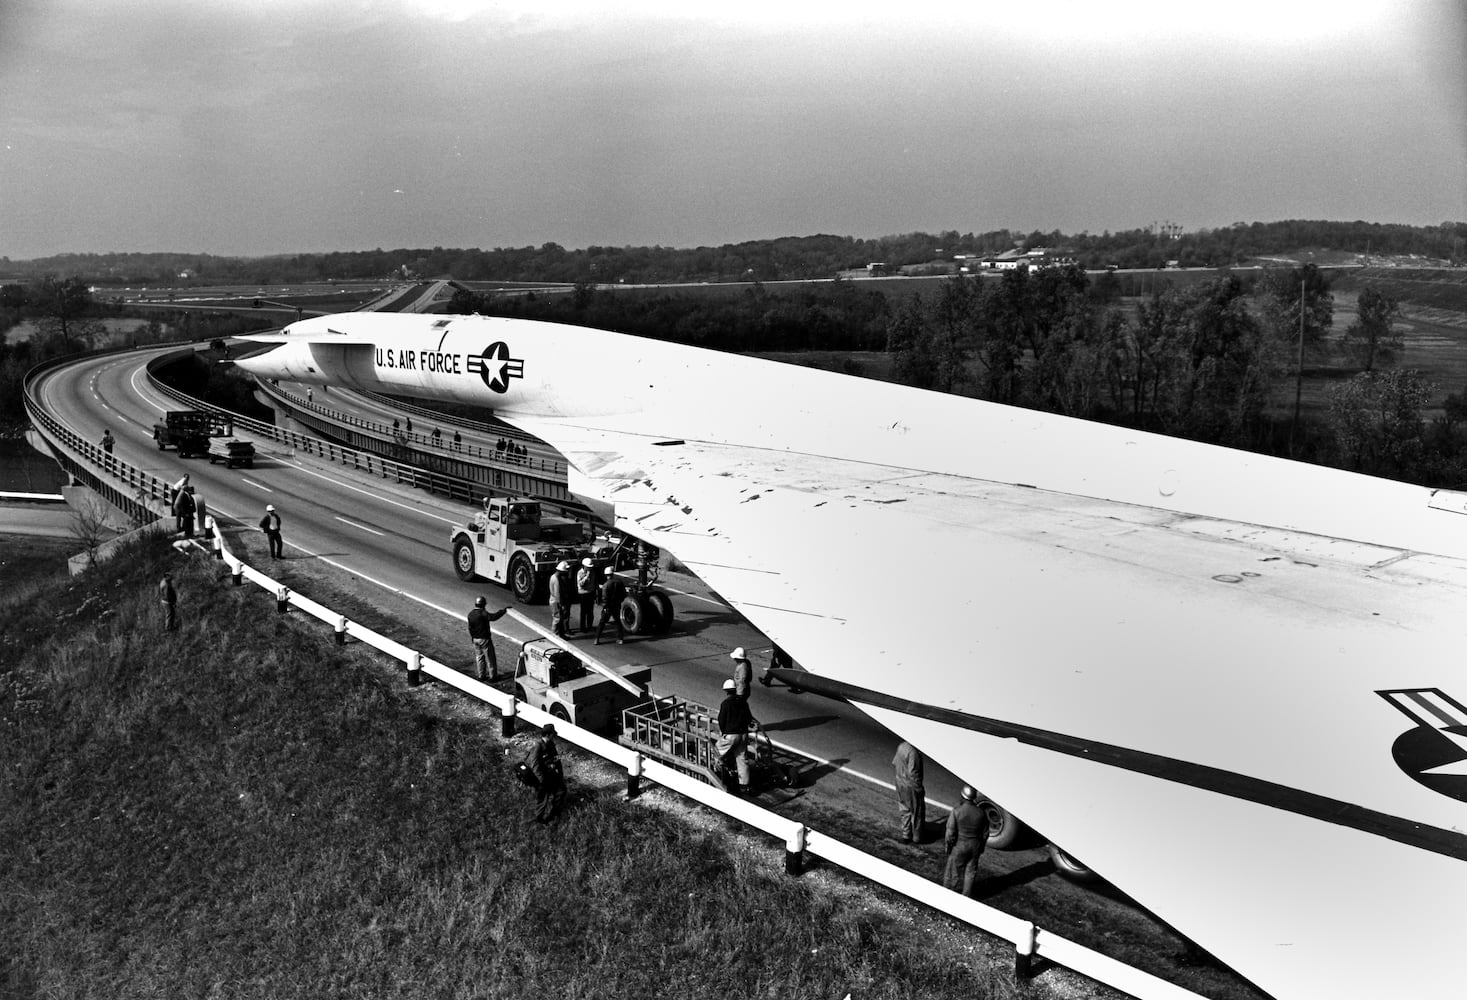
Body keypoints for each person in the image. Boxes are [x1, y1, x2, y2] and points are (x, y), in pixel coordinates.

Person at [944, 786, 990, 898]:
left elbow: (950, 833)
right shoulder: (981, 813)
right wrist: (981, 847)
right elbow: (985, 833)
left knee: (954, 873)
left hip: (960, 845)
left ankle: (950, 894)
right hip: (975, 846)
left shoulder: (957, 811)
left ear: (963, 797)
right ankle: (966, 896)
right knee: (970, 873)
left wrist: (948, 846)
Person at [716, 679, 753, 794]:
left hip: (731, 735)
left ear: (726, 691)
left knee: (716, 751)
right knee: (742, 759)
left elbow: (721, 720)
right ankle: (744, 786)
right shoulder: (743, 702)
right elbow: (749, 718)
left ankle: (718, 773)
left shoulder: (726, 704)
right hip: (743, 734)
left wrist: (723, 733)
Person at [527, 723, 566, 823]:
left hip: (552, 775)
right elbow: (535, 765)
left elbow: (556, 759)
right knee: (543, 799)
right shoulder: (538, 747)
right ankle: (539, 818)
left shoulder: (551, 744)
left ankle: (554, 814)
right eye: (553, 734)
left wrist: (560, 774)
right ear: (548, 735)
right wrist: (541, 780)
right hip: (542, 778)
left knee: (561, 791)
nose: (554, 737)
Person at [892, 741, 926, 843]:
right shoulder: (913, 752)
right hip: (910, 785)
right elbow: (913, 773)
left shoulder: (901, 746)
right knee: (917, 811)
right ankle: (917, 837)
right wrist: (919, 788)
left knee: (904, 809)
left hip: (899, 781)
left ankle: (906, 835)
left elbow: (894, 762)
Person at [467, 595, 507, 682]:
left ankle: (481, 675)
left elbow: (470, 628)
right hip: (484, 639)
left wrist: (473, 638)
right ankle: (493, 677)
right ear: (483, 604)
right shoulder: (482, 613)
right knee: (490, 658)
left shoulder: (470, 614)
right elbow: (493, 617)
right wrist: (503, 611)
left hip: (475, 639)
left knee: (479, 658)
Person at [594, 567, 627, 645]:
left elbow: (604, 598)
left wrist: (605, 607)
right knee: (618, 622)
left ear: (606, 575)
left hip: (608, 607)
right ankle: (620, 638)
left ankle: (597, 639)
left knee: (602, 622)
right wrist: (620, 601)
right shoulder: (619, 582)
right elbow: (624, 593)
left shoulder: (606, 585)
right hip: (617, 605)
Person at [548, 560, 572, 637]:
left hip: (554, 600)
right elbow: (557, 593)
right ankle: (554, 634)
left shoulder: (553, 577)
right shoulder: (557, 579)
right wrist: (561, 604)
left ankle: (560, 634)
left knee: (559, 618)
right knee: (557, 618)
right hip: (556, 601)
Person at [575, 557, 597, 633]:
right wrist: (586, 577)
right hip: (583, 594)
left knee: (590, 611)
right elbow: (580, 584)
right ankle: (583, 627)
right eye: (588, 567)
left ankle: (590, 626)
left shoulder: (592, 572)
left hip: (590, 593)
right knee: (583, 612)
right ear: (584, 566)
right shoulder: (580, 573)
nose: (590, 569)